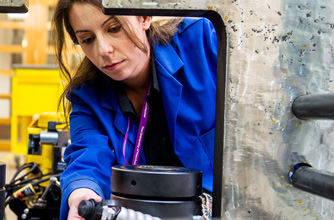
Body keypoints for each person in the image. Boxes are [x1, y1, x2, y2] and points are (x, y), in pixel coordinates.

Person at [51, 0, 217, 219]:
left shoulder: (204, 44)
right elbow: (88, 156)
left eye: (114, 28)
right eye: (87, 39)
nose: (104, 50)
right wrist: (83, 194)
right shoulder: (87, 98)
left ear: (145, 18)